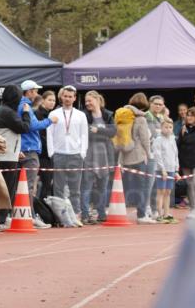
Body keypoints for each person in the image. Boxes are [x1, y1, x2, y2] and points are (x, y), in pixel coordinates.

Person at [0, 85, 32, 231]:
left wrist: (16, 151)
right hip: (5, 156)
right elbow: (24, 128)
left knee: (6, 187)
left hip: (6, 154)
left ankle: (1, 217)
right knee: (6, 188)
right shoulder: (7, 112)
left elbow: (10, 133)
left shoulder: (3, 110)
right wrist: (26, 113)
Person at [46, 85, 88, 226]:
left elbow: (84, 134)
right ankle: (61, 217)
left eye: (71, 96)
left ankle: (76, 215)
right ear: (61, 97)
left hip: (75, 154)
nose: (68, 99)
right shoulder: (54, 113)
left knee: (75, 188)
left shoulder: (80, 115)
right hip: (59, 154)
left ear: (74, 98)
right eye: (65, 96)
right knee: (58, 188)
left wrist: (82, 152)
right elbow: (49, 134)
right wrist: (52, 152)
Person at [18, 80, 56, 227]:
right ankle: (31, 216)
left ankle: (21, 215)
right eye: (35, 90)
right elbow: (33, 125)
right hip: (29, 149)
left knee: (21, 186)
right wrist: (49, 121)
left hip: (23, 149)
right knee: (28, 186)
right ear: (30, 91)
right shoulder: (25, 105)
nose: (37, 93)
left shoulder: (19, 104)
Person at [113, 92, 153, 223]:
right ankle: (141, 215)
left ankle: (117, 210)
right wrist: (148, 153)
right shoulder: (141, 119)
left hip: (123, 156)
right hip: (138, 157)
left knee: (123, 186)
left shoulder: (122, 115)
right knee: (142, 186)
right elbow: (145, 139)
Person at [81, 90, 116, 224]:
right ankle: (85, 215)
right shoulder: (84, 115)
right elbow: (87, 133)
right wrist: (103, 133)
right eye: (86, 101)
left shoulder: (108, 114)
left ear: (97, 100)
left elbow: (113, 131)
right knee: (87, 187)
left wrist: (99, 130)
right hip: (89, 154)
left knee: (103, 187)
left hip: (105, 155)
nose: (87, 103)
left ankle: (101, 213)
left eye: (90, 100)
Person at [152, 118, 178, 222]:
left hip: (171, 169)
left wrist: (176, 170)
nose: (168, 129)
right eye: (166, 127)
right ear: (161, 128)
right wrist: (162, 169)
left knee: (168, 192)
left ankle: (166, 214)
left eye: (170, 127)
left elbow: (176, 154)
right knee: (161, 191)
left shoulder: (172, 139)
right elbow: (157, 155)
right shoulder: (158, 139)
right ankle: (159, 214)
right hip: (161, 170)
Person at [36, 90, 57, 199]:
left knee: (49, 184)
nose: (52, 102)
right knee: (45, 183)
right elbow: (40, 134)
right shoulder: (38, 114)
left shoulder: (52, 115)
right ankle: (40, 209)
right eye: (49, 100)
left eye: (54, 100)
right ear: (43, 100)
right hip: (42, 154)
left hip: (50, 154)